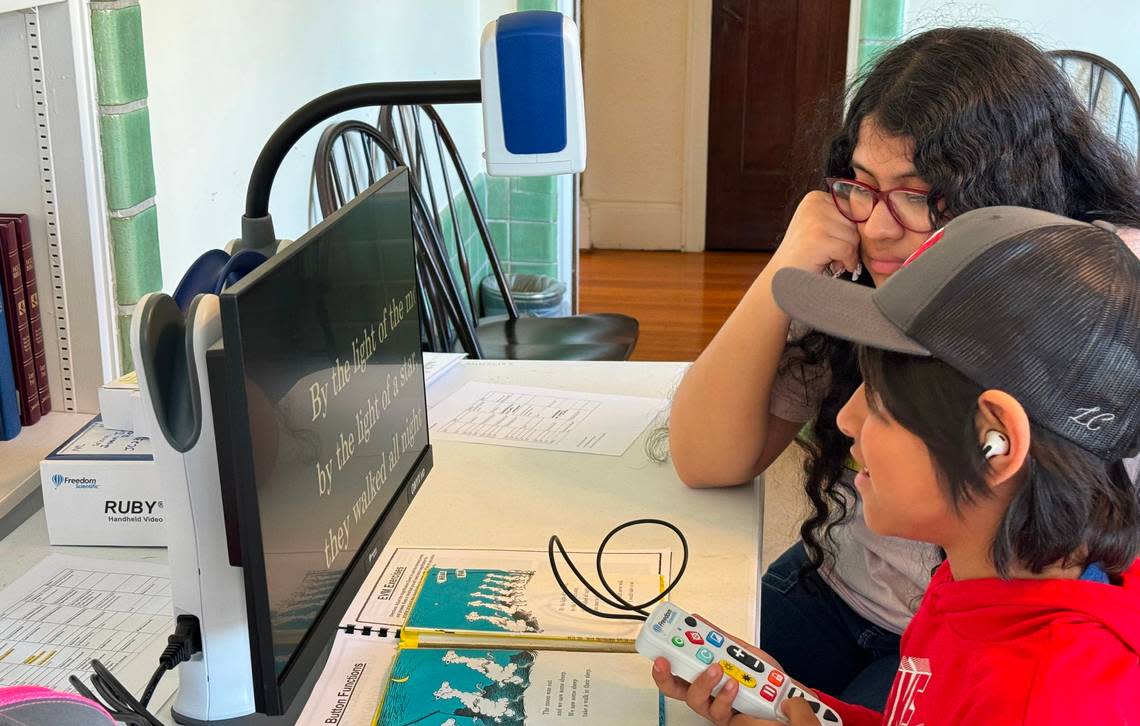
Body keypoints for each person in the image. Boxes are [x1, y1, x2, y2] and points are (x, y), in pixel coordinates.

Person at [668, 26, 1140, 709]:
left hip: (989, 637)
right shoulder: (859, 267)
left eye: (920, 195)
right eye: (860, 186)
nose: (878, 227)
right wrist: (784, 266)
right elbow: (706, 458)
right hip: (881, 596)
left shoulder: (1098, 303)